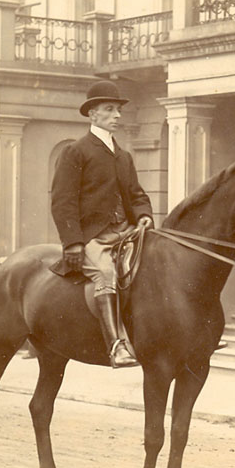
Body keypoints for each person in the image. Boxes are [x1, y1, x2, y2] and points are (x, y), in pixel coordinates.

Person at [51, 80, 154, 368]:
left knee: (157, 263)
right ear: (93, 114)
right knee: (106, 274)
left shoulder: (123, 156)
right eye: (110, 110)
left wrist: (144, 214)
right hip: (94, 237)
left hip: (127, 232)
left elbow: (136, 194)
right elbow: (63, 202)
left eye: (118, 110)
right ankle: (117, 345)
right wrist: (73, 242)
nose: (117, 116)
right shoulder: (76, 151)